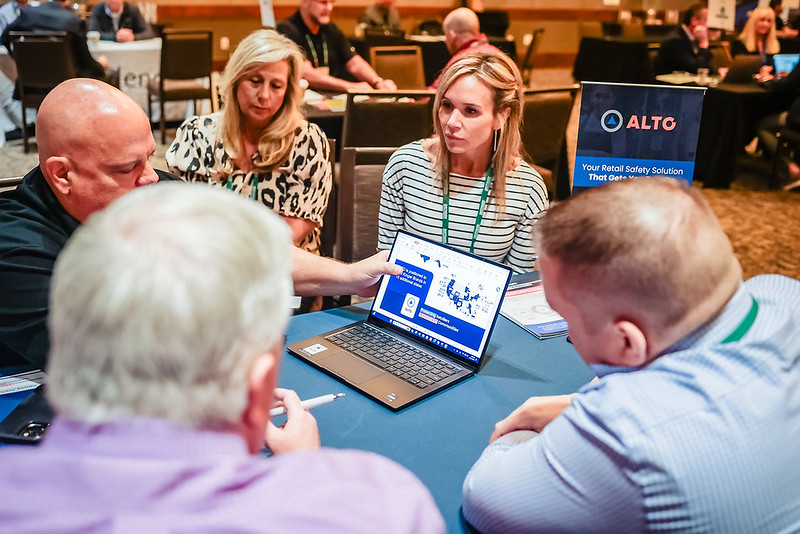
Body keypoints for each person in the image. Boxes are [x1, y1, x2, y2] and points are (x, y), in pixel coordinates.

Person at [0, 183, 446, 533]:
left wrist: (345, 276)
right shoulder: (382, 507)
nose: (151, 175)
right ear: (261, 382)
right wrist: (307, 475)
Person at [461, 177, 800, 532]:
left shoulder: (625, 435)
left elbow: (482, 496)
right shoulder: (781, 290)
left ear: (626, 344)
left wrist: (573, 415)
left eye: (564, 317)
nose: (569, 334)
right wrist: (574, 403)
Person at [0, 78, 401, 371]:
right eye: (126, 168)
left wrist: (348, 276)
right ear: (62, 175)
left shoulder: (152, 189)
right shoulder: (15, 246)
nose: (150, 177)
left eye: (148, 157)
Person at [378, 50, 548, 273]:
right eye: (447, 106)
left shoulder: (527, 188)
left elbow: (517, 287)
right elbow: (386, 262)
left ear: (501, 117)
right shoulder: (406, 165)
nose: (452, 122)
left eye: (470, 111)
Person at [167, 29, 331, 256]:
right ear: (235, 81)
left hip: (286, 271)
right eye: (255, 81)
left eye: (276, 86)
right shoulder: (196, 135)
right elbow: (189, 219)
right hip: (210, 263)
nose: (264, 95)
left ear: (288, 91)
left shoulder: (306, 140)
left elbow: (291, 232)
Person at [277, 0, 397, 92]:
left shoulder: (331, 29)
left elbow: (354, 62)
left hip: (330, 97)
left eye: (331, 2)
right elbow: (306, 73)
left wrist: (377, 82)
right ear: (304, 2)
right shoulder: (287, 29)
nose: (329, 8)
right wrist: (350, 87)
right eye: (323, 2)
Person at [0, 0, 111, 82]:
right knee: (110, 74)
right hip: (67, 86)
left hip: (32, 82)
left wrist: (18, 60)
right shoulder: (72, 20)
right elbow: (86, 63)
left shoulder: (28, 14)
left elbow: (4, 37)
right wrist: (100, 65)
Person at [429, 7, 503, 89]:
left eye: (446, 36)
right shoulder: (501, 56)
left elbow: (435, 94)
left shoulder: (460, 60)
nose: (446, 41)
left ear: (452, 36)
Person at [654, 3, 713, 75]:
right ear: (694, 21)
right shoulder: (675, 41)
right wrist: (704, 43)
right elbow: (697, 69)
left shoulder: (693, 38)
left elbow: (708, 66)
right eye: (706, 20)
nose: (709, 25)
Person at [88, 0, 153, 43]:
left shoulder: (133, 9)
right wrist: (115, 37)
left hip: (129, 51)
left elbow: (148, 32)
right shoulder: (97, 10)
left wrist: (132, 37)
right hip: (107, 51)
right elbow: (92, 33)